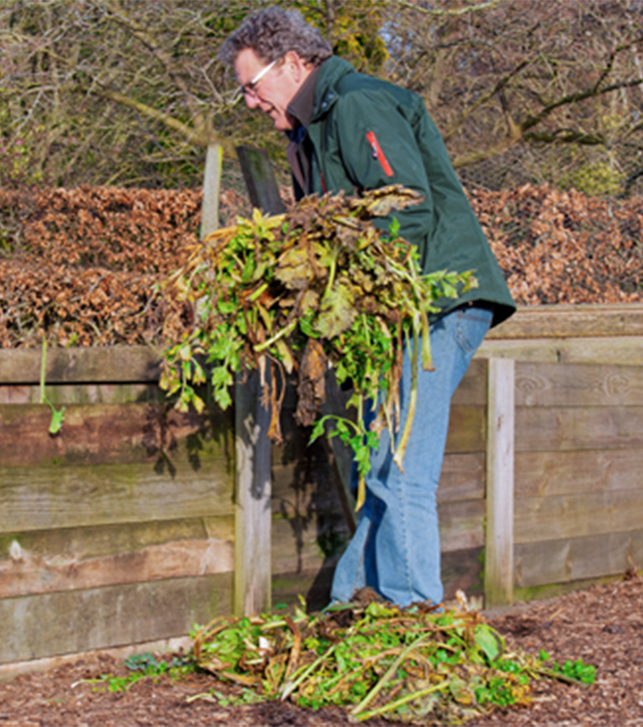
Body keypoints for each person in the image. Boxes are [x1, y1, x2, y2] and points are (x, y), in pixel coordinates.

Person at [219, 7, 516, 608]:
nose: (250, 103)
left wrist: (349, 292)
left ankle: (411, 619)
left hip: (436, 301)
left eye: (251, 87)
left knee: (399, 467)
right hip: (401, 311)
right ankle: (351, 604)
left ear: (294, 64)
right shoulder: (311, 130)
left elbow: (406, 210)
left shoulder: (356, 105)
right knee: (375, 465)